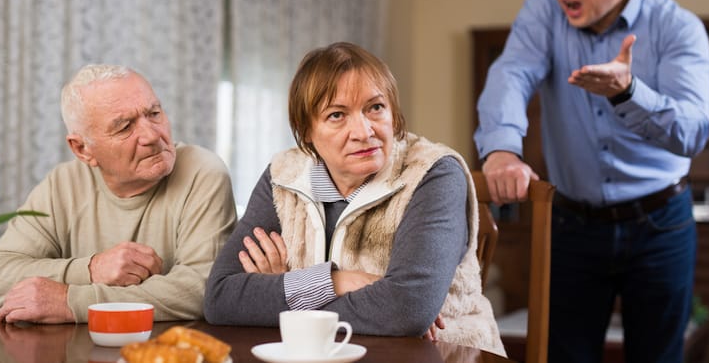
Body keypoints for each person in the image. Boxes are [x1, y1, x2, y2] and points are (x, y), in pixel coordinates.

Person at [474, 0, 709, 362]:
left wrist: (629, 92)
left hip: (661, 222)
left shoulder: (678, 28)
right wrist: (502, 150)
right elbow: (511, 75)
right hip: (572, 225)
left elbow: (693, 132)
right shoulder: (542, 11)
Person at [204, 42, 505, 355]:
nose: (364, 131)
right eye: (337, 115)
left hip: (441, 354)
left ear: (394, 114)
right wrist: (335, 281)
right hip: (322, 356)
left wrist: (283, 290)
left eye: (375, 108)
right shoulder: (283, 175)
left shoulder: (434, 173)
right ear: (306, 130)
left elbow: (406, 310)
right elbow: (220, 298)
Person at [0, 64, 237, 324]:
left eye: (154, 113)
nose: (151, 135)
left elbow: (202, 289)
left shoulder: (202, 171)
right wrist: (91, 269)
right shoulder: (62, 184)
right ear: (82, 149)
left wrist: (71, 302)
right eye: (124, 127)